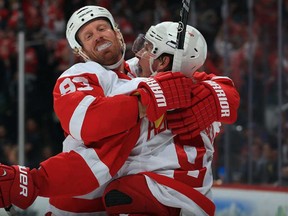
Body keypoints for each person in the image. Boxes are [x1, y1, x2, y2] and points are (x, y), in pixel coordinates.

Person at [0, 6, 239, 216]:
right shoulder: (82, 75)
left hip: (150, 196)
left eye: (102, 28)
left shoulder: (155, 76)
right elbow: (88, 123)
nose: (98, 36)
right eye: (88, 35)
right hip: (86, 204)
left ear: (117, 32)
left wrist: (215, 98)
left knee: (124, 194)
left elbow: (225, 90)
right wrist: (145, 102)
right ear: (81, 50)